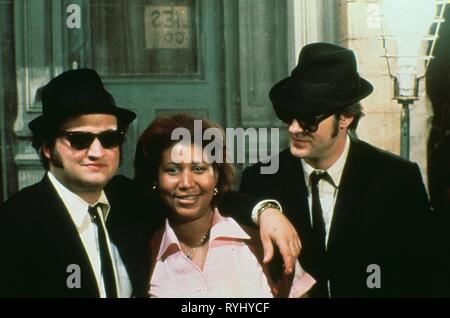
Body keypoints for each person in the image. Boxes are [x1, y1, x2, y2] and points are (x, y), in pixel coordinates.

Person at [0, 68, 300, 297]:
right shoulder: (16, 224)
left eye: (109, 138)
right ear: (47, 147)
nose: (96, 151)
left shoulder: (124, 201)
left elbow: (202, 196)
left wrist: (265, 211)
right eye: (79, 139)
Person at [239, 42, 434, 297]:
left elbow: (425, 275)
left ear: (345, 118)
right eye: (289, 116)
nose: (294, 128)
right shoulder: (261, 178)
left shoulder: (397, 179)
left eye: (309, 120)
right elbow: (223, 203)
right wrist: (263, 211)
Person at [134, 113, 315, 297]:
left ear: (217, 176)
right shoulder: (141, 254)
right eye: (172, 170)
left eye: (199, 169)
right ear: (155, 177)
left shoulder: (261, 241)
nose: (186, 183)